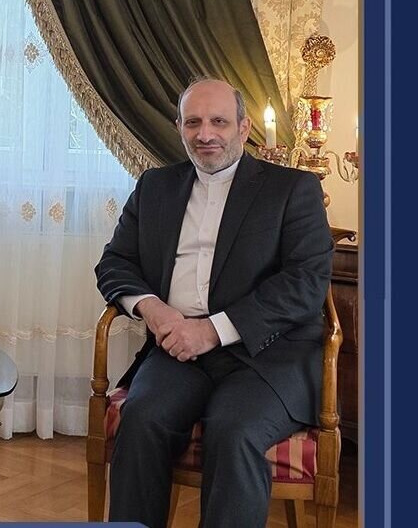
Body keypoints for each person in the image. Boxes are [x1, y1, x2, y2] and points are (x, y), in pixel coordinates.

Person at [95, 77, 332, 528]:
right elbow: (115, 262)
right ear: (179, 127)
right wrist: (154, 310)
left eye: (219, 122)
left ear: (244, 128)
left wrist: (212, 330)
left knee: (234, 430)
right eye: (193, 123)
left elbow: (305, 283)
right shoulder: (155, 186)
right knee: (141, 420)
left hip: (268, 357)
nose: (205, 134)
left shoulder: (293, 189)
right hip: (177, 349)